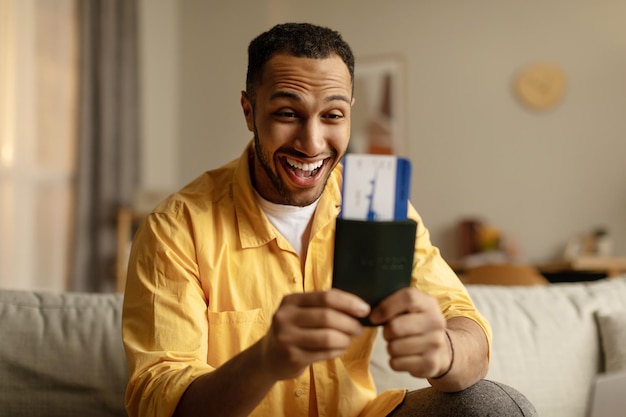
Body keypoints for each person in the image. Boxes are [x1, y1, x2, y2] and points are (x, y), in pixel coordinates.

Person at [122, 22, 537, 417]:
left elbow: (468, 328)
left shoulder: (378, 206)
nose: (312, 143)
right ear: (249, 112)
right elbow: (161, 401)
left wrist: (444, 350)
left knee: (490, 405)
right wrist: (265, 360)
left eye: (333, 116)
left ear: (350, 113)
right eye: (287, 113)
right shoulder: (175, 228)